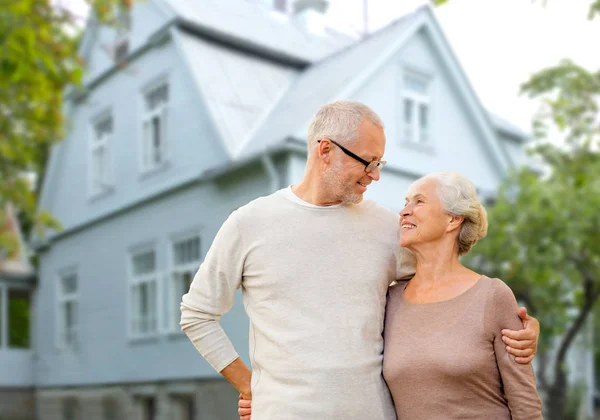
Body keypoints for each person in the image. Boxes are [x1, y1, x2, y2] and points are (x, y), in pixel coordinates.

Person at [180, 101, 539, 420]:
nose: (376, 174)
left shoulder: (386, 228)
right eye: (368, 162)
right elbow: (197, 314)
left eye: (380, 162)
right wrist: (249, 385)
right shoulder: (249, 223)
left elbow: (447, 288)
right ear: (325, 151)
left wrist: (518, 328)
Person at [383, 171, 542, 419]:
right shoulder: (389, 300)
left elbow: (525, 402)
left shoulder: (492, 296)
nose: (404, 211)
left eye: (419, 201)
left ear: (453, 220)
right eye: (406, 202)